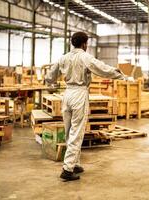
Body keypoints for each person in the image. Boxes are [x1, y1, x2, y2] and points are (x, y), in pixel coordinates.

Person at [46, 32, 129, 181]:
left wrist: (49, 81)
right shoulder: (85, 57)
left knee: (69, 131)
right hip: (79, 94)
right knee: (77, 132)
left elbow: (50, 76)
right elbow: (102, 68)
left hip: (67, 94)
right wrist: (121, 75)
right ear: (84, 44)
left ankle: (74, 163)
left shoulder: (63, 57)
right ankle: (67, 169)